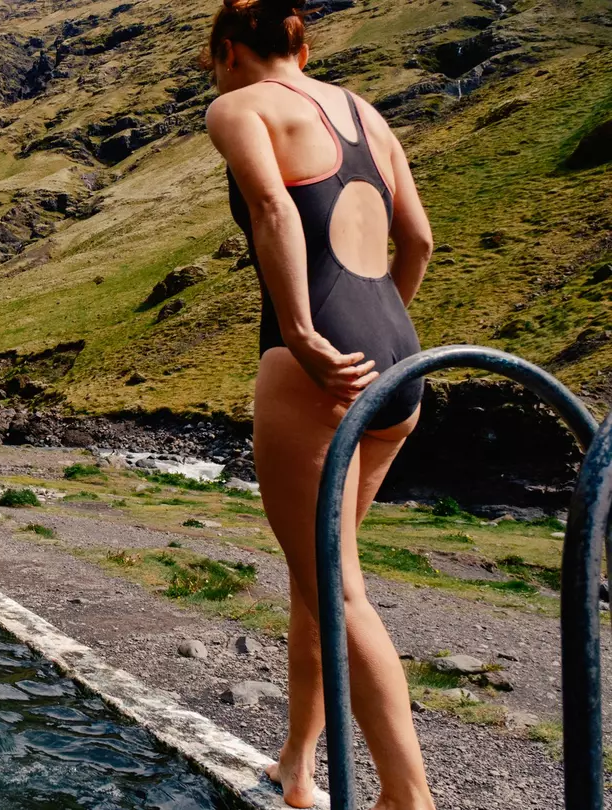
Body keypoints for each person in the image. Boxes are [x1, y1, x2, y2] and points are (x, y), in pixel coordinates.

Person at [202, 1, 436, 809]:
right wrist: (379, 338)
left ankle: (408, 797)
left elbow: (272, 208)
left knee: (337, 589)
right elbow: (420, 241)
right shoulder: (365, 113)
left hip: (318, 367)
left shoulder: (238, 106)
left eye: (213, 61)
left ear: (229, 51)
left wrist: (305, 331)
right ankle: (298, 768)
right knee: (317, 579)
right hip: (401, 363)